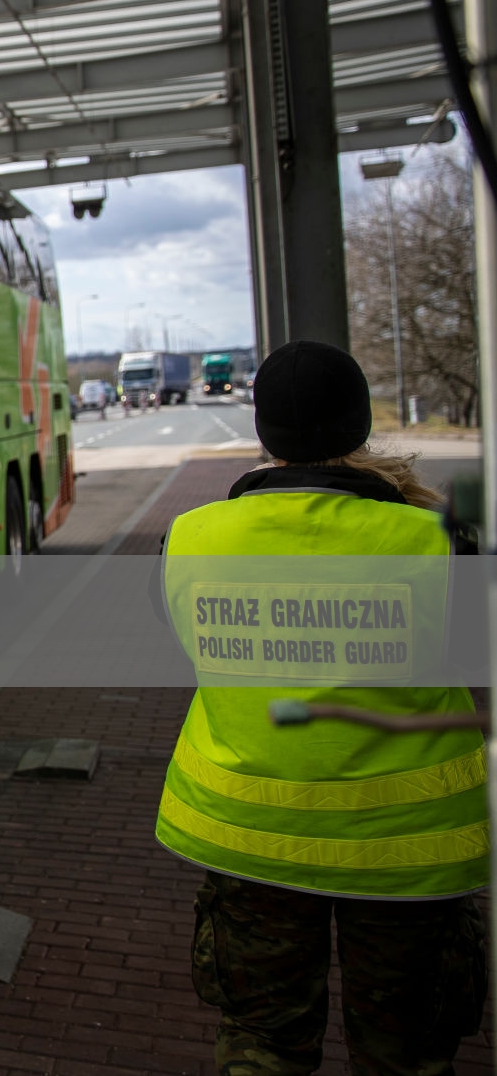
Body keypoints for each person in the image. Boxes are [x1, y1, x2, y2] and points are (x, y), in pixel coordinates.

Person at [155, 340, 488, 1074]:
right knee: (407, 1052)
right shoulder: (438, 539)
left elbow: (187, 640)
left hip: (249, 839)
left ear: (265, 429)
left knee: (262, 1046)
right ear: (360, 424)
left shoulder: (191, 538)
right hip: (406, 852)